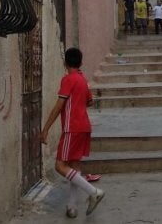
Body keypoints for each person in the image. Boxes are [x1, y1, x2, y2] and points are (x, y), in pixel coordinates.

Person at [39, 48, 105, 218]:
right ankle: (72, 207)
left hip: (72, 128)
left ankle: (94, 191)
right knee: (74, 166)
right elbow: (89, 101)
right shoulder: (82, 80)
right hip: (84, 127)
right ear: (81, 63)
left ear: (65, 62)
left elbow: (59, 106)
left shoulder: (68, 79)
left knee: (60, 166)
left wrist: (45, 128)